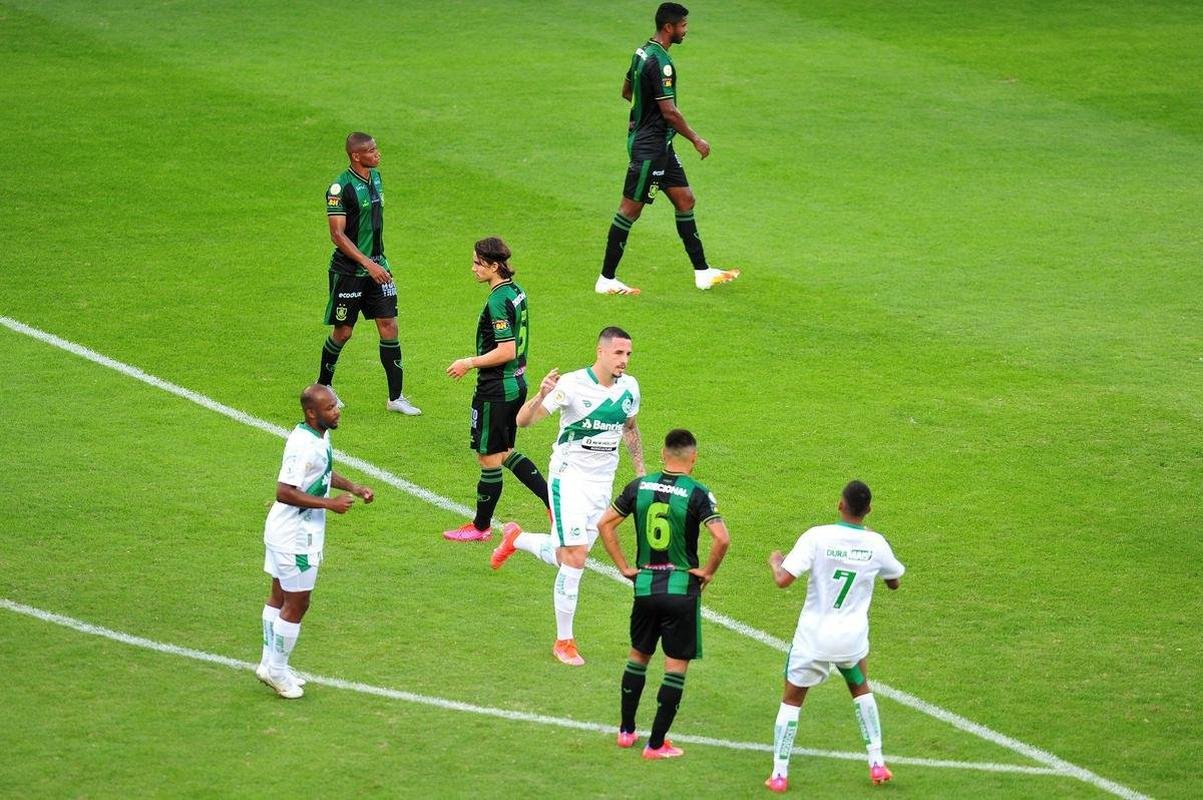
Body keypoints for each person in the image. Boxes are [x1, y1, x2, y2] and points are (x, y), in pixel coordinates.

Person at [489, 326, 645, 666]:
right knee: (574, 559)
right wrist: (540, 395)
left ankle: (516, 539)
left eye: (628, 354)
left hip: (601, 484)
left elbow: (630, 430)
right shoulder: (572, 385)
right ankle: (564, 641)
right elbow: (524, 421)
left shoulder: (630, 388)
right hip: (569, 478)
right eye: (619, 353)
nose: (624, 360)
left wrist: (640, 474)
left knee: (567, 557)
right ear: (601, 352)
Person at [596, 428, 730, 760]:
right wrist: (708, 572)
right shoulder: (697, 492)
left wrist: (624, 567)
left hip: (644, 588)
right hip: (681, 590)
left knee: (638, 656)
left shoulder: (639, 486)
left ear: (662, 454)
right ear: (693, 457)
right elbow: (722, 538)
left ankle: (626, 731)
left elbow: (605, 525)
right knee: (675, 667)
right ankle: (656, 744)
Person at [764, 480, 904, 792]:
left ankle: (779, 773)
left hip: (813, 639)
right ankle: (877, 761)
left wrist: (775, 561)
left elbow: (783, 580)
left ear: (840, 504)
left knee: (792, 700)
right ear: (868, 510)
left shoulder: (817, 536)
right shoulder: (876, 543)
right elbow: (894, 581)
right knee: (861, 689)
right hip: (851, 640)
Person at [594, 3, 740, 296]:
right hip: (650, 149)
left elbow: (626, 91)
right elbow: (670, 112)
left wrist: (642, 116)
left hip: (661, 144)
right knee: (629, 211)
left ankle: (702, 272)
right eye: (683, 26)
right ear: (669, 27)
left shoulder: (641, 52)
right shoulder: (661, 63)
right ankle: (606, 279)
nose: (686, 31)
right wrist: (697, 139)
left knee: (685, 200)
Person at [256, 384, 375, 699]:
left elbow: (322, 472)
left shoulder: (319, 435)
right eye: (330, 407)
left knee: (279, 597)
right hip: (295, 537)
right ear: (312, 413)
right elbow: (284, 491)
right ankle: (277, 672)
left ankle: (270, 663)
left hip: (287, 532)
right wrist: (330, 505)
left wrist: (354, 486)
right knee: (298, 603)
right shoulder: (302, 445)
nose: (336, 411)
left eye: (336, 405)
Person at [443, 237, 550, 541]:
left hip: (496, 388)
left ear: (493, 265)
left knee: (489, 458)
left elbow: (507, 349)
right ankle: (552, 504)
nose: (473, 267)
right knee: (505, 452)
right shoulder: (516, 291)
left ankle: (480, 527)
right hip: (516, 383)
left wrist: (469, 362)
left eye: (478, 262)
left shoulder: (496, 300)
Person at [317, 132, 421, 415]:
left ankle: (396, 398)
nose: (378, 154)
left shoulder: (375, 178)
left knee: (390, 326)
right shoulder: (340, 188)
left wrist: (377, 264)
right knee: (344, 331)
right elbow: (337, 235)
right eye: (372, 150)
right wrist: (368, 265)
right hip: (350, 271)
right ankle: (324, 387)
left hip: (378, 267)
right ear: (356, 156)